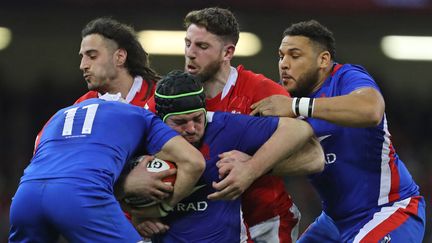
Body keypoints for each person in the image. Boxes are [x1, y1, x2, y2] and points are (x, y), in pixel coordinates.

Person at [249, 20, 426, 242]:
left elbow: (372, 110)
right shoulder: (281, 99)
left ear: (323, 60)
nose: (284, 64)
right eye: (281, 56)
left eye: (294, 56)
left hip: (388, 209)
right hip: (333, 221)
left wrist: (298, 107)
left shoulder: (346, 77)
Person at [126, 71, 324, 242]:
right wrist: (138, 215)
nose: (192, 129)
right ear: (161, 121)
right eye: (180, 122)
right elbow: (101, 183)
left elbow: (299, 128)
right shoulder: (140, 136)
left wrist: (251, 168)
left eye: (197, 118)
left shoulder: (225, 127)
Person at [8, 96, 206, 242]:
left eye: (91, 56)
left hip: (25, 195)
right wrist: (155, 209)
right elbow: (194, 162)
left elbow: (50, 166)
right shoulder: (140, 114)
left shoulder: (60, 115)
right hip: (80, 195)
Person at [182, 7, 301, 243]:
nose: (190, 53)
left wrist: (255, 165)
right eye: (187, 43)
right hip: (205, 226)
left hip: (265, 222)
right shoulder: (176, 94)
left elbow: (312, 155)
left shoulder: (261, 92)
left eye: (202, 46)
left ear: (228, 53)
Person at [75, 17, 159, 108]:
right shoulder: (80, 107)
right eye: (82, 57)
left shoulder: (160, 98)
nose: (82, 66)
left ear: (120, 57)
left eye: (92, 56)